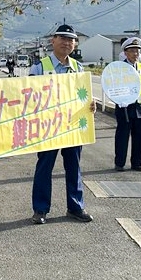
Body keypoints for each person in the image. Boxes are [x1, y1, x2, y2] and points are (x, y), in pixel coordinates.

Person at [29, 24, 96, 225]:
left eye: (71, 40)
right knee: (44, 167)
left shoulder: (79, 68)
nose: (67, 43)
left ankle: (75, 207)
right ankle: (40, 209)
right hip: (48, 127)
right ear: (53, 41)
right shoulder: (39, 67)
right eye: (63, 39)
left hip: (73, 126)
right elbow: (29, 98)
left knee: (74, 167)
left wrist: (90, 104)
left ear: (75, 44)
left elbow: (83, 97)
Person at [114, 36, 141, 172]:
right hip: (124, 107)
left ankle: (137, 163)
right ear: (125, 52)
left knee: (139, 137)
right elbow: (113, 87)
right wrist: (118, 101)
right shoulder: (119, 68)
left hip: (138, 107)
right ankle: (119, 163)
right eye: (132, 51)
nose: (135, 54)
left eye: (137, 51)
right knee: (122, 136)